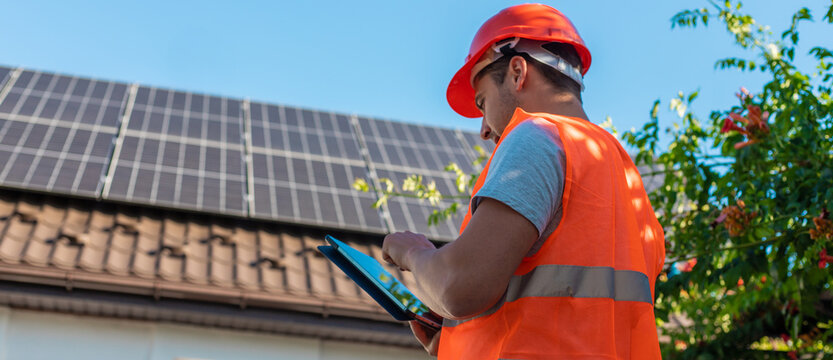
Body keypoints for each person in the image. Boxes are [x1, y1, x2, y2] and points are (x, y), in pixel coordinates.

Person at [382, 4, 666, 359]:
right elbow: (578, 323)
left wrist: (413, 251)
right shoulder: (625, 180)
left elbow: (459, 288)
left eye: (482, 102)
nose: (484, 130)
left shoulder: (539, 136)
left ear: (517, 72)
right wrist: (459, 338)